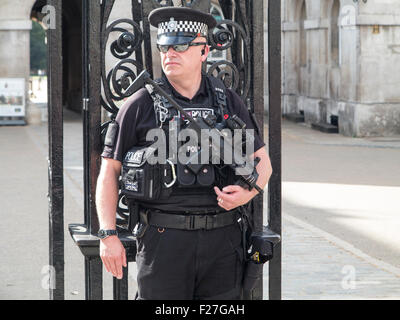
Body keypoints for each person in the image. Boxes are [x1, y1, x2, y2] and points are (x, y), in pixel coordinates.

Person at [95, 6, 272, 300]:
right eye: (164, 46)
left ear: (204, 51)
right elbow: (109, 171)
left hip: (223, 241)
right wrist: (107, 234)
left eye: (180, 46)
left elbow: (263, 163)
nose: (169, 54)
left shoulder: (227, 101)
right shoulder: (140, 103)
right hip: (163, 241)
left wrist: (248, 193)